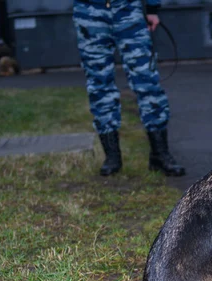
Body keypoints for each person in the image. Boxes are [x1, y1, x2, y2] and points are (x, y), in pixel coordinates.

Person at [73, 0, 185, 177]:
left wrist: (152, 7)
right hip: (89, 10)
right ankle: (112, 157)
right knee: (99, 83)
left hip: (128, 8)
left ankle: (159, 154)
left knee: (147, 80)